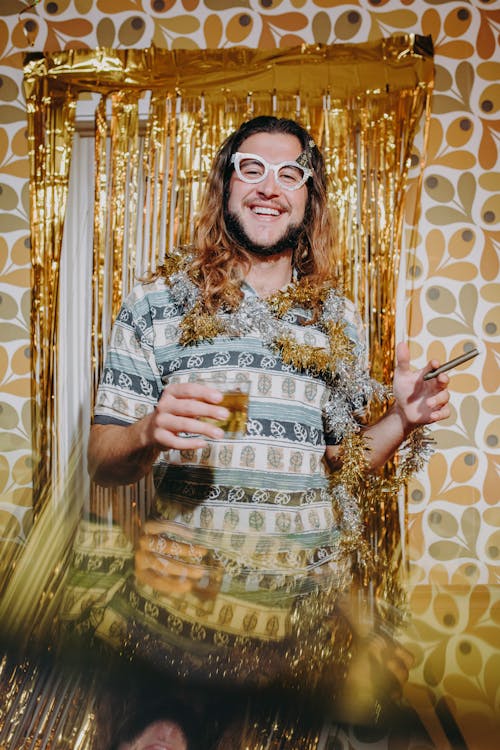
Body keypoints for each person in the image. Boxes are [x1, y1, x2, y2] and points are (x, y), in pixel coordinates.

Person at [87, 116, 450, 699]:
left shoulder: (337, 318)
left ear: (309, 199)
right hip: (184, 622)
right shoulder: (158, 301)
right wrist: (150, 430)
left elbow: (341, 467)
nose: (267, 187)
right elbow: (102, 463)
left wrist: (401, 419)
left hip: (300, 630)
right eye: (250, 169)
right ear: (225, 185)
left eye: (290, 174)